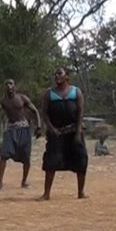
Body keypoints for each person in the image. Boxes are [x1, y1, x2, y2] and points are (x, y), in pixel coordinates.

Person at [38, 67, 88, 201]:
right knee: (51, 162)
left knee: (81, 160)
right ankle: (46, 194)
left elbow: (80, 113)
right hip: (57, 133)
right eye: (55, 74)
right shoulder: (49, 94)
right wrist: (52, 128)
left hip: (73, 131)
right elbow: (44, 113)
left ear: (67, 77)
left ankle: (81, 192)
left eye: (59, 73)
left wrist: (78, 133)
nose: (56, 76)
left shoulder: (76, 92)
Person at [0, 79, 42, 191]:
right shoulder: (3, 101)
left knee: (26, 158)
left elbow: (35, 111)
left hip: (24, 129)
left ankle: (24, 181)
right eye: (6, 84)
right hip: (10, 130)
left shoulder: (22, 98)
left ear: (15, 86)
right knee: (4, 155)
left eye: (11, 84)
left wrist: (38, 127)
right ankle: (0, 183)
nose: (9, 86)